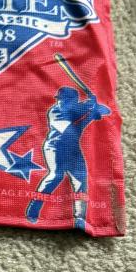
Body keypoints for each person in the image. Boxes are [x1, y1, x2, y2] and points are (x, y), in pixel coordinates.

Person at [26, 84, 110, 230]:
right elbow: (71, 128)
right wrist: (91, 113)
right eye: (60, 99)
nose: (60, 102)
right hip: (55, 147)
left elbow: (106, 110)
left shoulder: (77, 108)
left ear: (74, 101)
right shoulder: (56, 111)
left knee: (80, 179)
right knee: (56, 176)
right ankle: (33, 208)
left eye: (64, 100)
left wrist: (95, 105)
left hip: (73, 149)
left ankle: (79, 217)